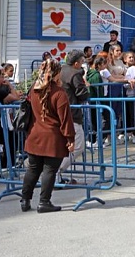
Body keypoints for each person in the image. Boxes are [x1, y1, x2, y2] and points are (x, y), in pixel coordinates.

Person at [20, 59, 75, 213]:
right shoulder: (59, 93)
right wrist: (70, 138)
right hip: (52, 138)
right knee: (49, 170)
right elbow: (65, 119)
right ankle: (44, 202)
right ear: (57, 73)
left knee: (32, 169)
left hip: (34, 135)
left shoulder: (33, 89)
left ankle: (25, 200)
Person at [57, 50, 89, 184]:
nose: (83, 65)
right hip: (72, 114)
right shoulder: (74, 74)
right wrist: (86, 86)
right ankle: (56, 171)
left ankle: (54, 174)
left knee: (63, 145)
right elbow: (82, 94)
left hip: (59, 112)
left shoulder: (61, 70)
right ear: (76, 63)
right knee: (78, 145)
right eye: (82, 62)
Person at [86, 55, 109, 146]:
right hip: (96, 100)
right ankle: (95, 141)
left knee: (93, 120)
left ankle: (93, 140)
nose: (105, 66)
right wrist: (102, 100)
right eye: (103, 64)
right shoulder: (96, 75)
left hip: (92, 100)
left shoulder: (90, 73)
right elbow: (98, 89)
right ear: (99, 65)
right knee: (97, 120)